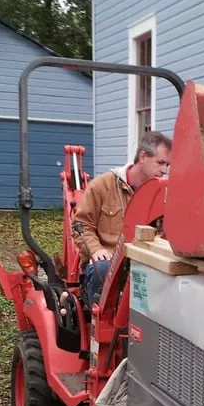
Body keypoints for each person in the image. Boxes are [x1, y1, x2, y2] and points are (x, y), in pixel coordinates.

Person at [73, 130, 172, 307]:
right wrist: (96, 250)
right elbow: (81, 225)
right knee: (103, 269)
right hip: (109, 260)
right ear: (143, 157)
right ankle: (98, 322)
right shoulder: (103, 185)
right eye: (160, 163)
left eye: (167, 165)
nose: (164, 170)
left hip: (142, 260)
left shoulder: (162, 193)